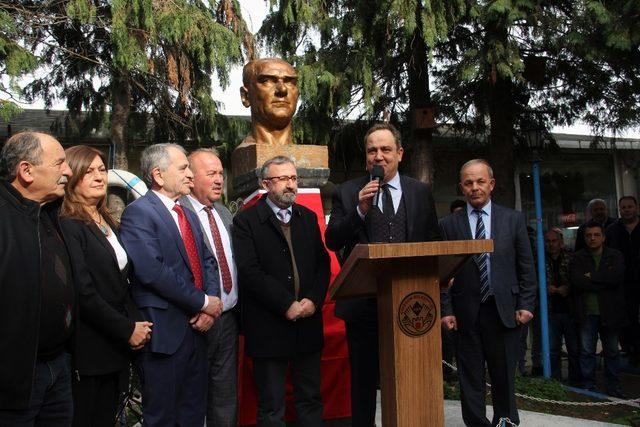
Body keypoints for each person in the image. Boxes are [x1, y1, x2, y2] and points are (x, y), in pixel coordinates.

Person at [325, 123, 441, 426]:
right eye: (372, 151)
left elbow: (432, 243)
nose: (379, 156)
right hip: (363, 306)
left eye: (386, 149)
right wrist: (359, 210)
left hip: (411, 304)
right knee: (363, 382)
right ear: (366, 158)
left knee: (411, 375)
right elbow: (333, 239)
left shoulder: (420, 192)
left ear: (399, 154)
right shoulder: (348, 191)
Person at [119, 143, 222, 426]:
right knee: (162, 416)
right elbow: (153, 271)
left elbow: (207, 260)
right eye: (183, 168)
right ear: (159, 175)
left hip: (199, 332)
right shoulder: (138, 213)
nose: (190, 174)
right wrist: (202, 302)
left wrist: (210, 305)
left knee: (193, 412)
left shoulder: (187, 213)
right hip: (165, 334)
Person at [233, 156, 330, 426]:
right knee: (271, 407)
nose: (290, 185)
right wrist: (286, 303)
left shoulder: (308, 218)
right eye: (282, 179)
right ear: (265, 184)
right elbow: (249, 271)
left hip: (308, 325)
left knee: (310, 399)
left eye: (293, 178)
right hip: (268, 327)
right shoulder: (246, 221)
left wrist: (313, 300)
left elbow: (323, 264)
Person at [59, 145, 152, 426]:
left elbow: (121, 282)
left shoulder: (108, 220)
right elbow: (83, 291)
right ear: (72, 177)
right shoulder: (69, 224)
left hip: (116, 348)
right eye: (89, 172)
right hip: (90, 349)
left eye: (101, 169)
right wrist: (126, 329)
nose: (99, 177)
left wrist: (137, 323)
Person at [440, 159, 536, 426]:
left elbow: (526, 266)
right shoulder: (448, 225)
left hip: (505, 311)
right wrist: (446, 310)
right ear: (461, 187)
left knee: (504, 374)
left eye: (480, 181)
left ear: (491, 184)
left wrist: (527, 305)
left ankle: (505, 422)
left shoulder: (513, 219)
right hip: (465, 313)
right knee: (470, 378)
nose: (475, 188)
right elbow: (443, 275)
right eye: (468, 183)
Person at [0, 131, 74, 425]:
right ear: (26, 171)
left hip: (59, 367)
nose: (68, 171)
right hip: (16, 381)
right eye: (59, 163)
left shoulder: (49, 214)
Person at [180, 148, 239, 427]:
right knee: (192, 398)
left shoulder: (225, 213)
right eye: (211, 174)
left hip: (228, 320)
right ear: (191, 178)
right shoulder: (179, 213)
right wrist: (200, 306)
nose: (219, 179)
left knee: (224, 398)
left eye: (220, 173)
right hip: (195, 321)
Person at [571, 221, 626, 397]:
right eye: (588, 235)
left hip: (610, 311)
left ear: (603, 237)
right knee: (587, 351)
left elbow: (615, 278)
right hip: (587, 312)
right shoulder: (578, 257)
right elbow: (577, 281)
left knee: (612, 351)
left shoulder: (615, 255)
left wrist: (592, 278)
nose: (592, 238)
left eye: (596, 235)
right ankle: (588, 386)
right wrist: (603, 281)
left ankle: (614, 386)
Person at [605, 196, 640, 363]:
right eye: (624, 207)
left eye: (630, 206)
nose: (627, 210)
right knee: (627, 317)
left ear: (636, 208)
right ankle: (630, 350)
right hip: (622, 283)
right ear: (619, 210)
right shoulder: (612, 230)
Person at [543, 229, 580, 384]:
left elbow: (579, 279)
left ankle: (576, 380)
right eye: (548, 241)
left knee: (574, 349)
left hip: (570, 308)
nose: (551, 244)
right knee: (552, 349)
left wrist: (568, 287)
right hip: (551, 310)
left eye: (554, 241)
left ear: (561, 242)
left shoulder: (572, 257)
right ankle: (555, 381)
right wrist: (546, 287)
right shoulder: (541, 259)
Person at [240, 58, 298, 146]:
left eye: (289, 82)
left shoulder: (311, 155)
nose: (282, 89)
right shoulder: (244, 154)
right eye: (266, 81)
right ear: (246, 96)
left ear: (297, 95)